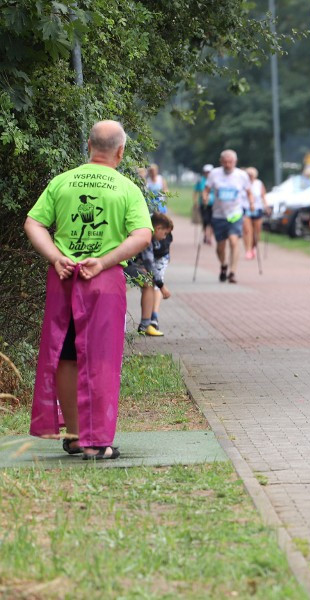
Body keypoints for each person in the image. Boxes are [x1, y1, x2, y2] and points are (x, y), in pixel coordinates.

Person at [24, 120, 152, 460]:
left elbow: (33, 223)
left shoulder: (62, 182)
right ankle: (97, 442)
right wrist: (105, 261)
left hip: (65, 276)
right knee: (102, 356)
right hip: (103, 281)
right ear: (120, 151)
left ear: (90, 146)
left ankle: (76, 435)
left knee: (66, 354)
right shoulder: (126, 188)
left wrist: (56, 257)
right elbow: (142, 235)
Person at [204, 149, 252, 284]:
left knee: (234, 241)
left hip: (235, 213)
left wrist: (252, 203)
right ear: (221, 162)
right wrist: (205, 198)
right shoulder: (214, 174)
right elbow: (206, 190)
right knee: (220, 246)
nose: (227, 165)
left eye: (230, 162)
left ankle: (233, 272)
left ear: (235, 162)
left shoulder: (242, 175)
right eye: (225, 162)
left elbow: (249, 192)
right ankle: (224, 265)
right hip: (218, 214)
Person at [125, 212, 174, 336]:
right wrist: (162, 287)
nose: (165, 237)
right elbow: (149, 264)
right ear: (158, 228)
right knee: (148, 283)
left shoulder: (144, 231)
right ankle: (145, 325)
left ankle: (145, 324)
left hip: (128, 263)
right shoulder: (146, 236)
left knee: (147, 280)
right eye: (165, 233)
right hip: (123, 264)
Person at [244, 167, 268, 260]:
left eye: (251, 175)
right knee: (247, 231)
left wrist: (266, 206)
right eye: (248, 175)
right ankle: (248, 250)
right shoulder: (243, 183)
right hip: (246, 209)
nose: (250, 176)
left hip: (257, 209)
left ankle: (253, 246)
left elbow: (263, 196)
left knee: (257, 231)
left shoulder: (259, 183)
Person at [194, 163, 214, 244]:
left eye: (209, 172)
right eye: (206, 172)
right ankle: (206, 234)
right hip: (203, 204)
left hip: (214, 204)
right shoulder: (200, 181)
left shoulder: (215, 180)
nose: (208, 173)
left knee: (212, 221)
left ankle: (210, 236)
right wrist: (195, 202)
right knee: (205, 220)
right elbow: (196, 192)